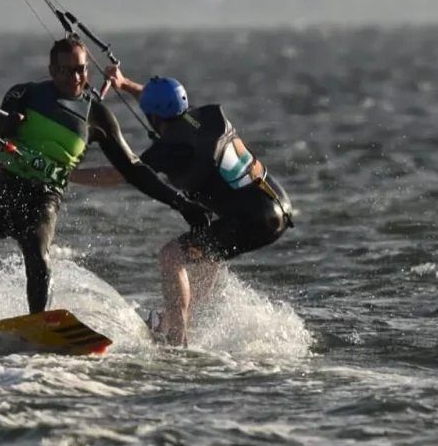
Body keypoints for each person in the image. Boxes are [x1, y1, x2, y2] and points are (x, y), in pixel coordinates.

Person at [0, 36, 208, 320]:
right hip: (4, 185)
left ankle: (38, 325)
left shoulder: (96, 116)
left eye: (80, 69)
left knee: (38, 258)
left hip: (42, 198)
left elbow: (133, 168)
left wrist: (180, 203)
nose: (75, 77)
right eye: (65, 70)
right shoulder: (25, 94)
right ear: (52, 70)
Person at [70, 69, 293, 346]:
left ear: (153, 117)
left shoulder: (171, 149)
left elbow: (118, 175)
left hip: (254, 218)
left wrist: (69, 174)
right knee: (206, 255)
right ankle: (168, 322)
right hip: (278, 205)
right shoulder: (204, 117)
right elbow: (162, 104)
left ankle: (177, 339)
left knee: (171, 256)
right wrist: (125, 84)